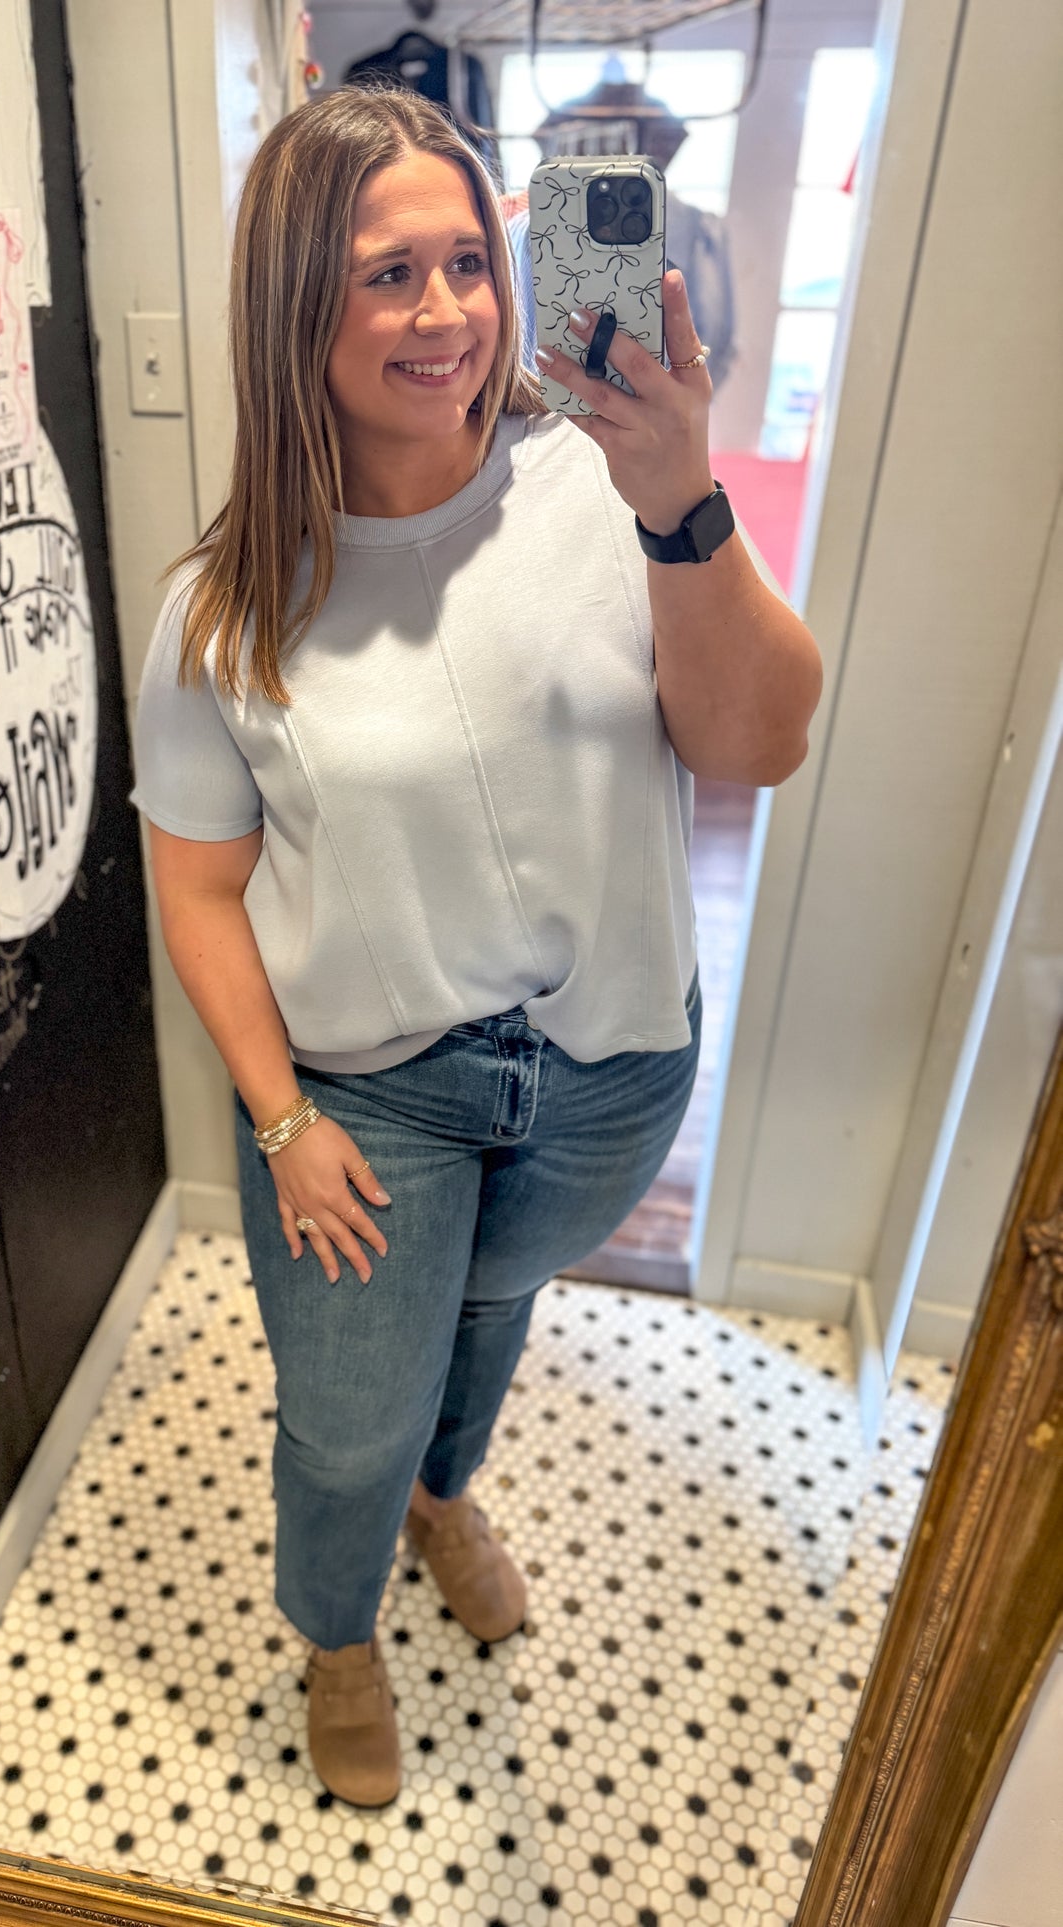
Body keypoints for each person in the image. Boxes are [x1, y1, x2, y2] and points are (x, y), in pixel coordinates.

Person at [129, 85, 821, 1809]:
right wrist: (282, 1123)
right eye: (388, 275)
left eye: (468, 263)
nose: (447, 313)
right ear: (299, 303)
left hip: (607, 1069)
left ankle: (449, 1498)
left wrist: (685, 503)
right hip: (378, 1095)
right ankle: (335, 1629)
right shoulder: (225, 605)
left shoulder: (605, 485)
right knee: (346, 1407)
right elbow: (201, 892)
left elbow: (760, 742)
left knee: (493, 1311)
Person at [506, 72, 737, 386]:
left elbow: (716, 341)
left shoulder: (698, 231)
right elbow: (719, 342)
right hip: (552, 408)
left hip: (636, 408)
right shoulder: (520, 223)